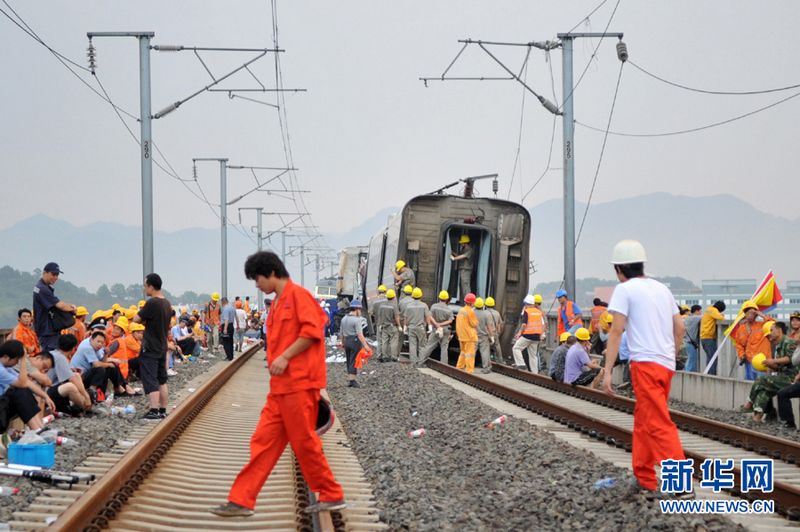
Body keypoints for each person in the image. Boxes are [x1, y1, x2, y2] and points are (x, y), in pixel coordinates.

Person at [211, 251, 345, 517]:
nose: (256, 285)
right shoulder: (280, 302)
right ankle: (241, 500)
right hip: (281, 388)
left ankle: (332, 494)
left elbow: (313, 330)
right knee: (263, 441)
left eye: (257, 278)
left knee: (304, 442)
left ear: (271, 272)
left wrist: (285, 356)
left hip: (299, 384)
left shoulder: (298, 296)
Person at [602, 239, 688, 497]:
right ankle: (644, 477)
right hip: (665, 364)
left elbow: (616, 331)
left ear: (619, 269)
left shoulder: (625, 290)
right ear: (641, 264)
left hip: (645, 364)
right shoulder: (662, 288)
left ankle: (681, 486)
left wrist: (607, 371)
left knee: (658, 422)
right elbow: (680, 328)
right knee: (644, 419)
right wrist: (669, 354)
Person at [133, 273, 173, 421]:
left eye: (145, 286)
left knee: (150, 378)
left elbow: (136, 319)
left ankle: (154, 410)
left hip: (150, 346)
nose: (145, 289)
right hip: (162, 345)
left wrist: (144, 321)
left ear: (151, 286)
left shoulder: (152, 303)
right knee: (162, 379)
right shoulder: (167, 303)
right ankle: (163, 410)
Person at [741, 322, 797, 422]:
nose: (770, 333)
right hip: (782, 377)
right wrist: (769, 364)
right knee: (764, 391)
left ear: (779, 330)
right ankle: (757, 417)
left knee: (761, 379)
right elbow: (780, 367)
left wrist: (773, 361)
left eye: (772, 330)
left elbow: (790, 358)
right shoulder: (777, 346)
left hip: (791, 378)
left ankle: (749, 403)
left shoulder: (789, 342)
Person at [70, 330, 131, 401]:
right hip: (79, 377)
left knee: (111, 367)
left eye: (102, 342)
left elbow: (102, 361)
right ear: (91, 339)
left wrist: (106, 354)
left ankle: (117, 388)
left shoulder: (98, 346)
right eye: (98, 341)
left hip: (89, 372)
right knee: (101, 369)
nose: (100, 344)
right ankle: (93, 392)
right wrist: (109, 364)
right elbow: (96, 364)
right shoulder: (86, 347)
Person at [0, 341, 47, 430]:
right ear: (6, 357)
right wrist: (23, 361)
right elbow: (22, 383)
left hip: (2, 407)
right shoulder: (1, 370)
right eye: (17, 360)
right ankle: (36, 430)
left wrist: (45, 397)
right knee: (19, 391)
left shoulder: (6, 367)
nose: (17, 362)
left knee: (23, 390)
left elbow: (26, 383)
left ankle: (39, 427)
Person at [41, 334, 92, 414]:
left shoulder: (53, 353)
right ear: (73, 348)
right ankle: (86, 406)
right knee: (70, 386)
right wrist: (86, 396)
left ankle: (83, 405)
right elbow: (72, 379)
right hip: (45, 392)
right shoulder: (60, 357)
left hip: (46, 390)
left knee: (76, 375)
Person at [32, 262, 77, 352]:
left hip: (48, 331)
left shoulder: (42, 287)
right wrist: (73, 308)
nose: (56, 277)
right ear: (44, 273)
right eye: (53, 274)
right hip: (47, 332)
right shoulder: (42, 289)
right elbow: (61, 306)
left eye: (57, 275)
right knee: (50, 358)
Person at [733, 300, 773, 381]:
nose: (749, 314)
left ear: (755, 314)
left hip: (763, 362)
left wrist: (761, 315)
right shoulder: (741, 328)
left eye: (752, 312)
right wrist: (742, 355)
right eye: (747, 312)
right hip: (749, 361)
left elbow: (774, 325)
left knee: (762, 384)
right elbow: (738, 344)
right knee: (749, 384)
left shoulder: (763, 326)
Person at [340, 300, 371, 387]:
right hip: (354, 341)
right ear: (356, 309)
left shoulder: (344, 319)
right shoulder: (357, 320)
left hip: (346, 341)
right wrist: (366, 346)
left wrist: (342, 342)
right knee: (354, 360)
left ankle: (350, 379)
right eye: (360, 310)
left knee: (349, 359)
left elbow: (341, 333)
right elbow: (360, 334)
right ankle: (352, 380)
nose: (360, 312)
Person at [512, 295, 546, 372]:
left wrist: (519, 333)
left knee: (516, 348)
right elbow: (543, 325)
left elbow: (524, 324)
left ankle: (521, 364)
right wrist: (541, 335)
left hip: (527, 336)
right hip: (536, 337)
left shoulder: (527, 312)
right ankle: (535, 373)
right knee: (533, 356)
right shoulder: (539, 312)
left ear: (527, 304)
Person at [419, 290, 454, 365]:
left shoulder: (434, 306)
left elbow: (430, 316)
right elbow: (450, 321)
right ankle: (444, 365)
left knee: (429, 346)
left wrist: (436, 324)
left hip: (435, 329)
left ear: (439, 297)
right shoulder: (449, 309)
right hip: (445, 330)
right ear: (447, 299)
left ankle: (420, 362)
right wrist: (441, 324)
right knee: (444, 347)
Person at [404, 288, 431, 367]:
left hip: (411, 327)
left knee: (412, 345)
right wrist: (429, 326)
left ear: (413, 296)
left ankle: (413, 363)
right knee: (422, 346)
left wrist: (405, 326)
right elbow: (427, 317)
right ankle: (421, 363)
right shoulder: (424, 305)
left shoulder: (408, 306)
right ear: (421, 296)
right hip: (421, 328)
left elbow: (406, 317)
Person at [699, 300, 726, 374]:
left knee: (710, 357)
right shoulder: (713, 310)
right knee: (713, 357)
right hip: (708, 338)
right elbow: (721, 318)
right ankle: (711, 374)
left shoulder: (708, 309)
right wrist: (722, 315)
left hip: (704, 337)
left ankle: (709, 372)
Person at [455, 293, 479, 373]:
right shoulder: (470, 312)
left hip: (462, 336)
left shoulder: (461, 310)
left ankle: (459, 367)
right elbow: (474, 324)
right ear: (472, 303)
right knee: (470, 354)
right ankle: (469, 370)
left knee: (463, 352)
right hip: (470, 336)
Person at [375, 289, 401, 362]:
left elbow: (379, 315)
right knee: (393, 341)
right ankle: (393, 357)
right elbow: (396, 317)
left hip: (384, 326)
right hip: (392, 326)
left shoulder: (382, 305)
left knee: (384, 341)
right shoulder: (394, 305)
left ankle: (385, 356)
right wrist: (399, 325)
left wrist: (380, 324)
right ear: (393, 297)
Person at [474, 298, 495, 374]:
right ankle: (486, 368)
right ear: (483, 305)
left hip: (473, 335)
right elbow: (489, 326)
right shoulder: (486, 314)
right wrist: (491, 336)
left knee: (472, 351)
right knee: (485, 352)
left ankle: (468, 366)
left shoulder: (472, 313)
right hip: (484, 336)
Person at [369, 285, 388, 360]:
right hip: (387, 323)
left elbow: (370, 312)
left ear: (378, 292)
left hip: (378, 323)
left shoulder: (374, 301)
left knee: (379, 340)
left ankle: (379, 355)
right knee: (386, 340)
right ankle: (385, 355)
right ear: (385, 291)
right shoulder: (388, 300)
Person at [683, 305, 703, 373]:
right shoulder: (695, 318)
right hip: (691, 343)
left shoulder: (688, 318)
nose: (701, 312)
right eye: (700, 311)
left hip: (687, 342)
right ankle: (687, 377)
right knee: (692, 361)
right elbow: (705, 317)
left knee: (689, 360)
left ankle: (685, 374)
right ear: (697, 311)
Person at [484, 297, 504, 363]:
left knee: (486, 348)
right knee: (497, 348)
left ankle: (487, 362)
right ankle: (500, 361)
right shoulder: (497, 313)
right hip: (495, 333)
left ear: (485, 304)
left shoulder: (484, 313)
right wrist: (498, 332)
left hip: (486, 333)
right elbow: (500, 324)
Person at [219, 297, 236, 361]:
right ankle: (231, 356)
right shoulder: (232, 308)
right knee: (230, 341)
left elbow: (226, 319)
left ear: (223, 302)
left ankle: (228, 357)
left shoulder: (225, 309)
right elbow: (236, 317)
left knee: (226, 342)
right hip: (231, 325)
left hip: (226, 326)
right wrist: (238, 324)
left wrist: (225, 329)